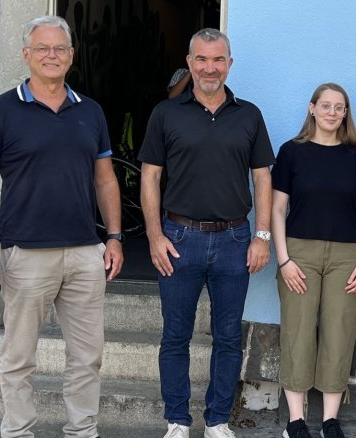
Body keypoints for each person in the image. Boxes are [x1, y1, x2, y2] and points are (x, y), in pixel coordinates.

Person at [0, 15, 124, 438]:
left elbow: (105, 179)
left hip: (85, 253)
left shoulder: (90, 111)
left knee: (88, 356)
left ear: (71, 56)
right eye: (43, 49)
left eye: (60, 49)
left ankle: (82, 431)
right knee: (19, 358)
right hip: (24, 251)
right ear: (26, 55)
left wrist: (114, 237)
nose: (51, 56)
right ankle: (18, 432)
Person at [138, 28, 275, 438]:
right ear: (190, 62)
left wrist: (262, 236)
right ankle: (177, 420)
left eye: (218, 60)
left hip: (235, 240)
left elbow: (263, 178)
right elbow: (150, 177)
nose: (210, 68)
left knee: (229, 337)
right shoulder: (167, 114)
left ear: (229, 64)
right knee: (175, 336)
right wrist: (153, 235)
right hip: (178, 239)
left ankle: (217, 420)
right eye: (202, 59)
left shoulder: (249, 115)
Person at [271, 83, 356, 438]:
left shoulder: (355, 156)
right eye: (326, 106)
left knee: (339, 331)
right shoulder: (291, 152)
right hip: (299, 252)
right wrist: (283, 259)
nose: (333, 113)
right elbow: (278, 208)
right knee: (298, 332)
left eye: (340, 108)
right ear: (312, 108)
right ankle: (296, 422)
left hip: (346, 256)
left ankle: (330, 421)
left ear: (345, 114)